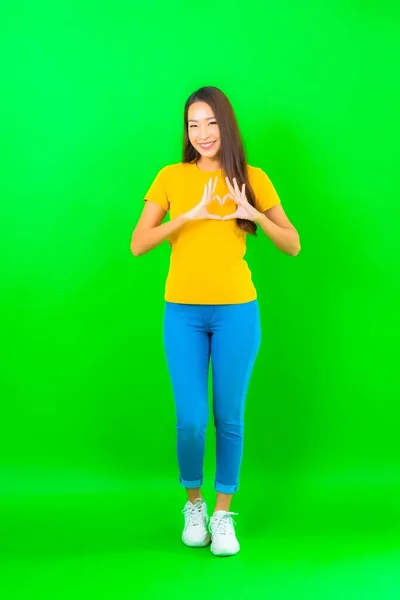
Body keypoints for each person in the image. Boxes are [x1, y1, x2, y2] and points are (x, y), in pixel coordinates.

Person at [130, 86, 300, 557]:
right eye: (192, 124)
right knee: (190, 420)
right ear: (186, 131)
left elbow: (293, 243)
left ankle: (223, 515)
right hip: (182, 314)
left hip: (237, 315)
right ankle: (194, 505)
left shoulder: (253, 178)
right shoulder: (170, 177)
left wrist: (255, 216)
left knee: (228, 416)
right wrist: (187, 216)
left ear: (226, 125)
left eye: (210, 123)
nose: (202, 133)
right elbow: (139, 243)